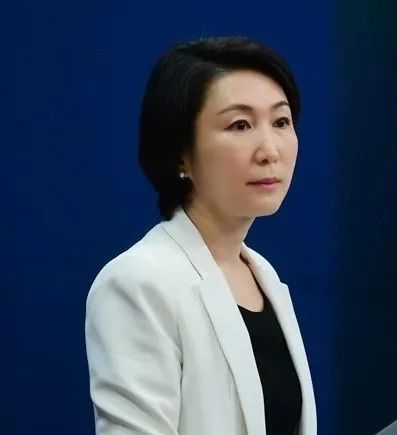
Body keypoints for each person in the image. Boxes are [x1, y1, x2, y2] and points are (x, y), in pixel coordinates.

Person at [84, 36, 317, 435]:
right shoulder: (139, 283)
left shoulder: (263, 276)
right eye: (240, 125)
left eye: (281, 122)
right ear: (181, 153)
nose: (269, 150)